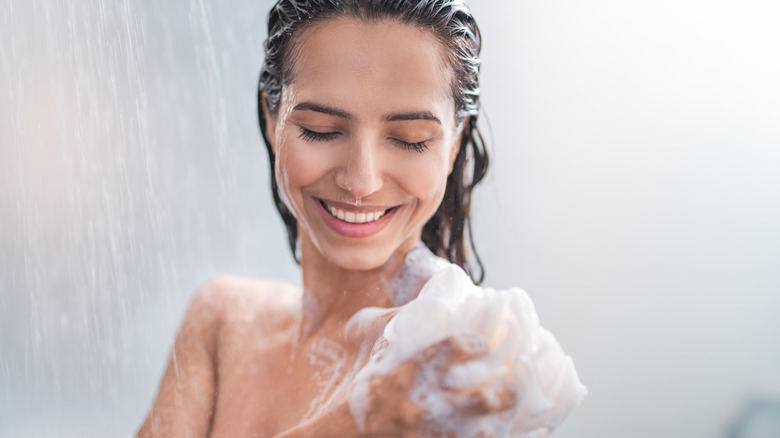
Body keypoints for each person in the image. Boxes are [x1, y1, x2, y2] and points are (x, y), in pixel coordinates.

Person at [137, 1, 584, 437]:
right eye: (321, 130)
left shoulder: (458, 369)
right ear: (273, 118)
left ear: (454, 142)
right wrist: (351, 423)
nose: (361, 180)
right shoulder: (222, 320)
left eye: (410, 140)